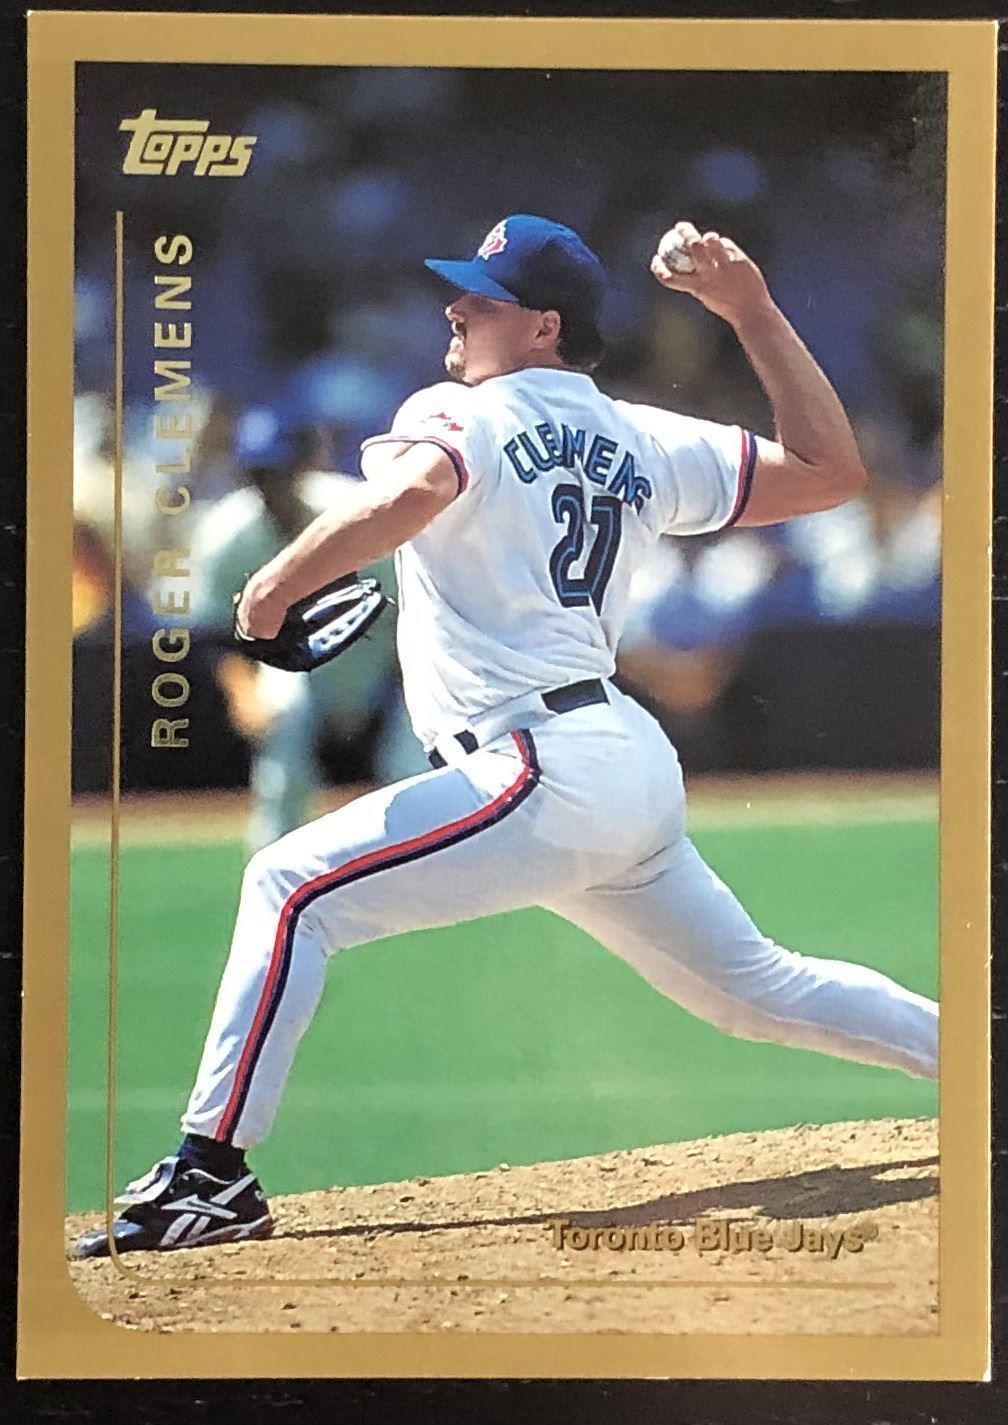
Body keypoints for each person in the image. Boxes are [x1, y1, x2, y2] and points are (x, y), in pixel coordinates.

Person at [75, 214, 938, 1258]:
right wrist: (752, 311)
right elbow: (829, 471)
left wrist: (272, 588)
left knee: (287, 886)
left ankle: (210, 1177)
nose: (455, 307)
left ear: (542, 325)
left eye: (480, 298)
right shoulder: (639, 435)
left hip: (538, 765)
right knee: (759, 990)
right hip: (616, 758)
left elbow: (416, 489)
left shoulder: (460, 409)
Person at [191, 406, 425, 853]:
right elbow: (214, 632)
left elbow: (416, 605)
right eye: (260, 473)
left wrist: (413, 683)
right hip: (293, 663)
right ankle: (275, 865)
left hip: (381, 653)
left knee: (410, 768)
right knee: (283, 761)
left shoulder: (355, 510)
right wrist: (241, 691)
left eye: (279, 470)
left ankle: (415, 865)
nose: (271, 484)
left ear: (303, 465)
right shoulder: (228, 534)